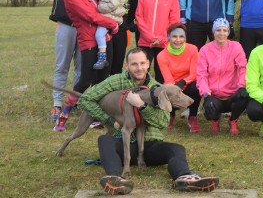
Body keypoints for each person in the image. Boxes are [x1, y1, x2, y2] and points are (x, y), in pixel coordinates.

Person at [78, 47, 219, 195]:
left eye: (142, 63)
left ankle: (185, 178)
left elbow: (163, 122)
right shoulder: (115, 81)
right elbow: (85, 100)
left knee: (177, 149)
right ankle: (115, 179)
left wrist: (142, 106)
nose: (139, 68)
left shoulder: (158, 88)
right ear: (126, 65)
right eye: (134, 64)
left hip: (150, 144)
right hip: (122, 143)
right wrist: (108, 119)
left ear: (148, 64)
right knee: (104, 140)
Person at [56, 0, 119, 131]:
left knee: (103, 80)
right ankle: (65, 113)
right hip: (89, 42)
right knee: (85, 80)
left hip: (105, 39)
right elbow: (90, 16)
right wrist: (112, 23)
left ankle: (98, 116)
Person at [197, 18, 248, 135]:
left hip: (232, 94)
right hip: (214, 95)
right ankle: (215, 120)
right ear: (213, 32)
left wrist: (241, 86)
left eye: (225, 30)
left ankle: (233, 120)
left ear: (228, 32)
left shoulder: (236, 46)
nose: (221, 33)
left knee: (244, 98)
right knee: (210, 110)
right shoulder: (205, 50)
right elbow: (201, 74)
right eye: (218, 30)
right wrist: (205, 93)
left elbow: (242, 67)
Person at [136, 0, 180, 83]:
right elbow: (139, 17)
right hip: (146, 42)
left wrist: (161, 38)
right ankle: (140, 97)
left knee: (161, 74)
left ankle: (159, 99)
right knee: (141, 73)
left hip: (163, 43)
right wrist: (149, 37)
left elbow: (174, 21)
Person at [156, 23, 202, 133]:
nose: (178, 40)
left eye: (181, 37)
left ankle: (192, 117)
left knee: (196, 87)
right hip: (173, 84)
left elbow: (194, 74)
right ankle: (170, 115)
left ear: (185, 38)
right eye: (174, 36)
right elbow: (168, 79)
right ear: (168, 38)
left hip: (188, 82)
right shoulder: (161, 55)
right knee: (167, 89)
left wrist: (183, 82)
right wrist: (176, 88)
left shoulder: (193, 49)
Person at [105, 0, 139, 76]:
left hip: (121, 28)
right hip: (103, 28)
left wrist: (128, 23)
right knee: (103, 66)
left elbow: (135, 5)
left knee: (117, 66)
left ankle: (115, 94)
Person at [88, 0, 126, 70]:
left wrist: (99, 8)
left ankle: (102, 57)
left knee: (99, 35)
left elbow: (113, 4)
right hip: (107, 15)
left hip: (110, 17)